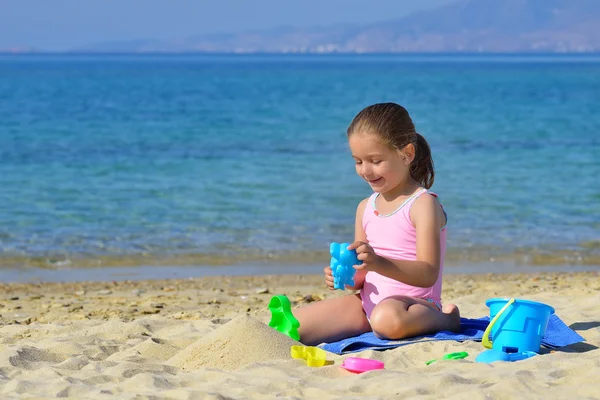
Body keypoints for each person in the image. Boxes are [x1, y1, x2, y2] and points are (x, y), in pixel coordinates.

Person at [294, 102, 461, 346]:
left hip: (411, 306)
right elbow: (361, 276)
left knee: (386, 320)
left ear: (407, 154)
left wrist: (379, 263)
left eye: (375, 160)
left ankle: (447, 319)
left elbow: (428, 273)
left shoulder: (422, 204)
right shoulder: (365, 207)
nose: (365, 170)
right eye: (358, 161)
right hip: (366, 305)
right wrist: (346, 276)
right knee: (296, 326)